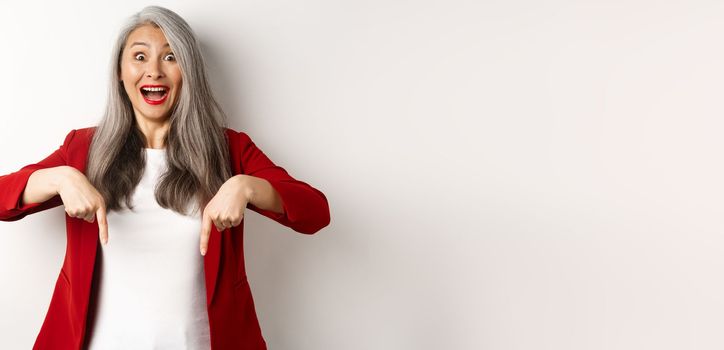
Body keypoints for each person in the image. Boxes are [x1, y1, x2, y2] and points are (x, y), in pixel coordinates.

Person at [0, 5, 330, 350]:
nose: (153, 71)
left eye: (170, 57)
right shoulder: (83, 148)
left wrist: (246, 186)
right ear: (119, 72)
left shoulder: (229, 149)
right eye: (139, 57)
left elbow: (316, 213)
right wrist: (59, 178)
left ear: (188, 71)